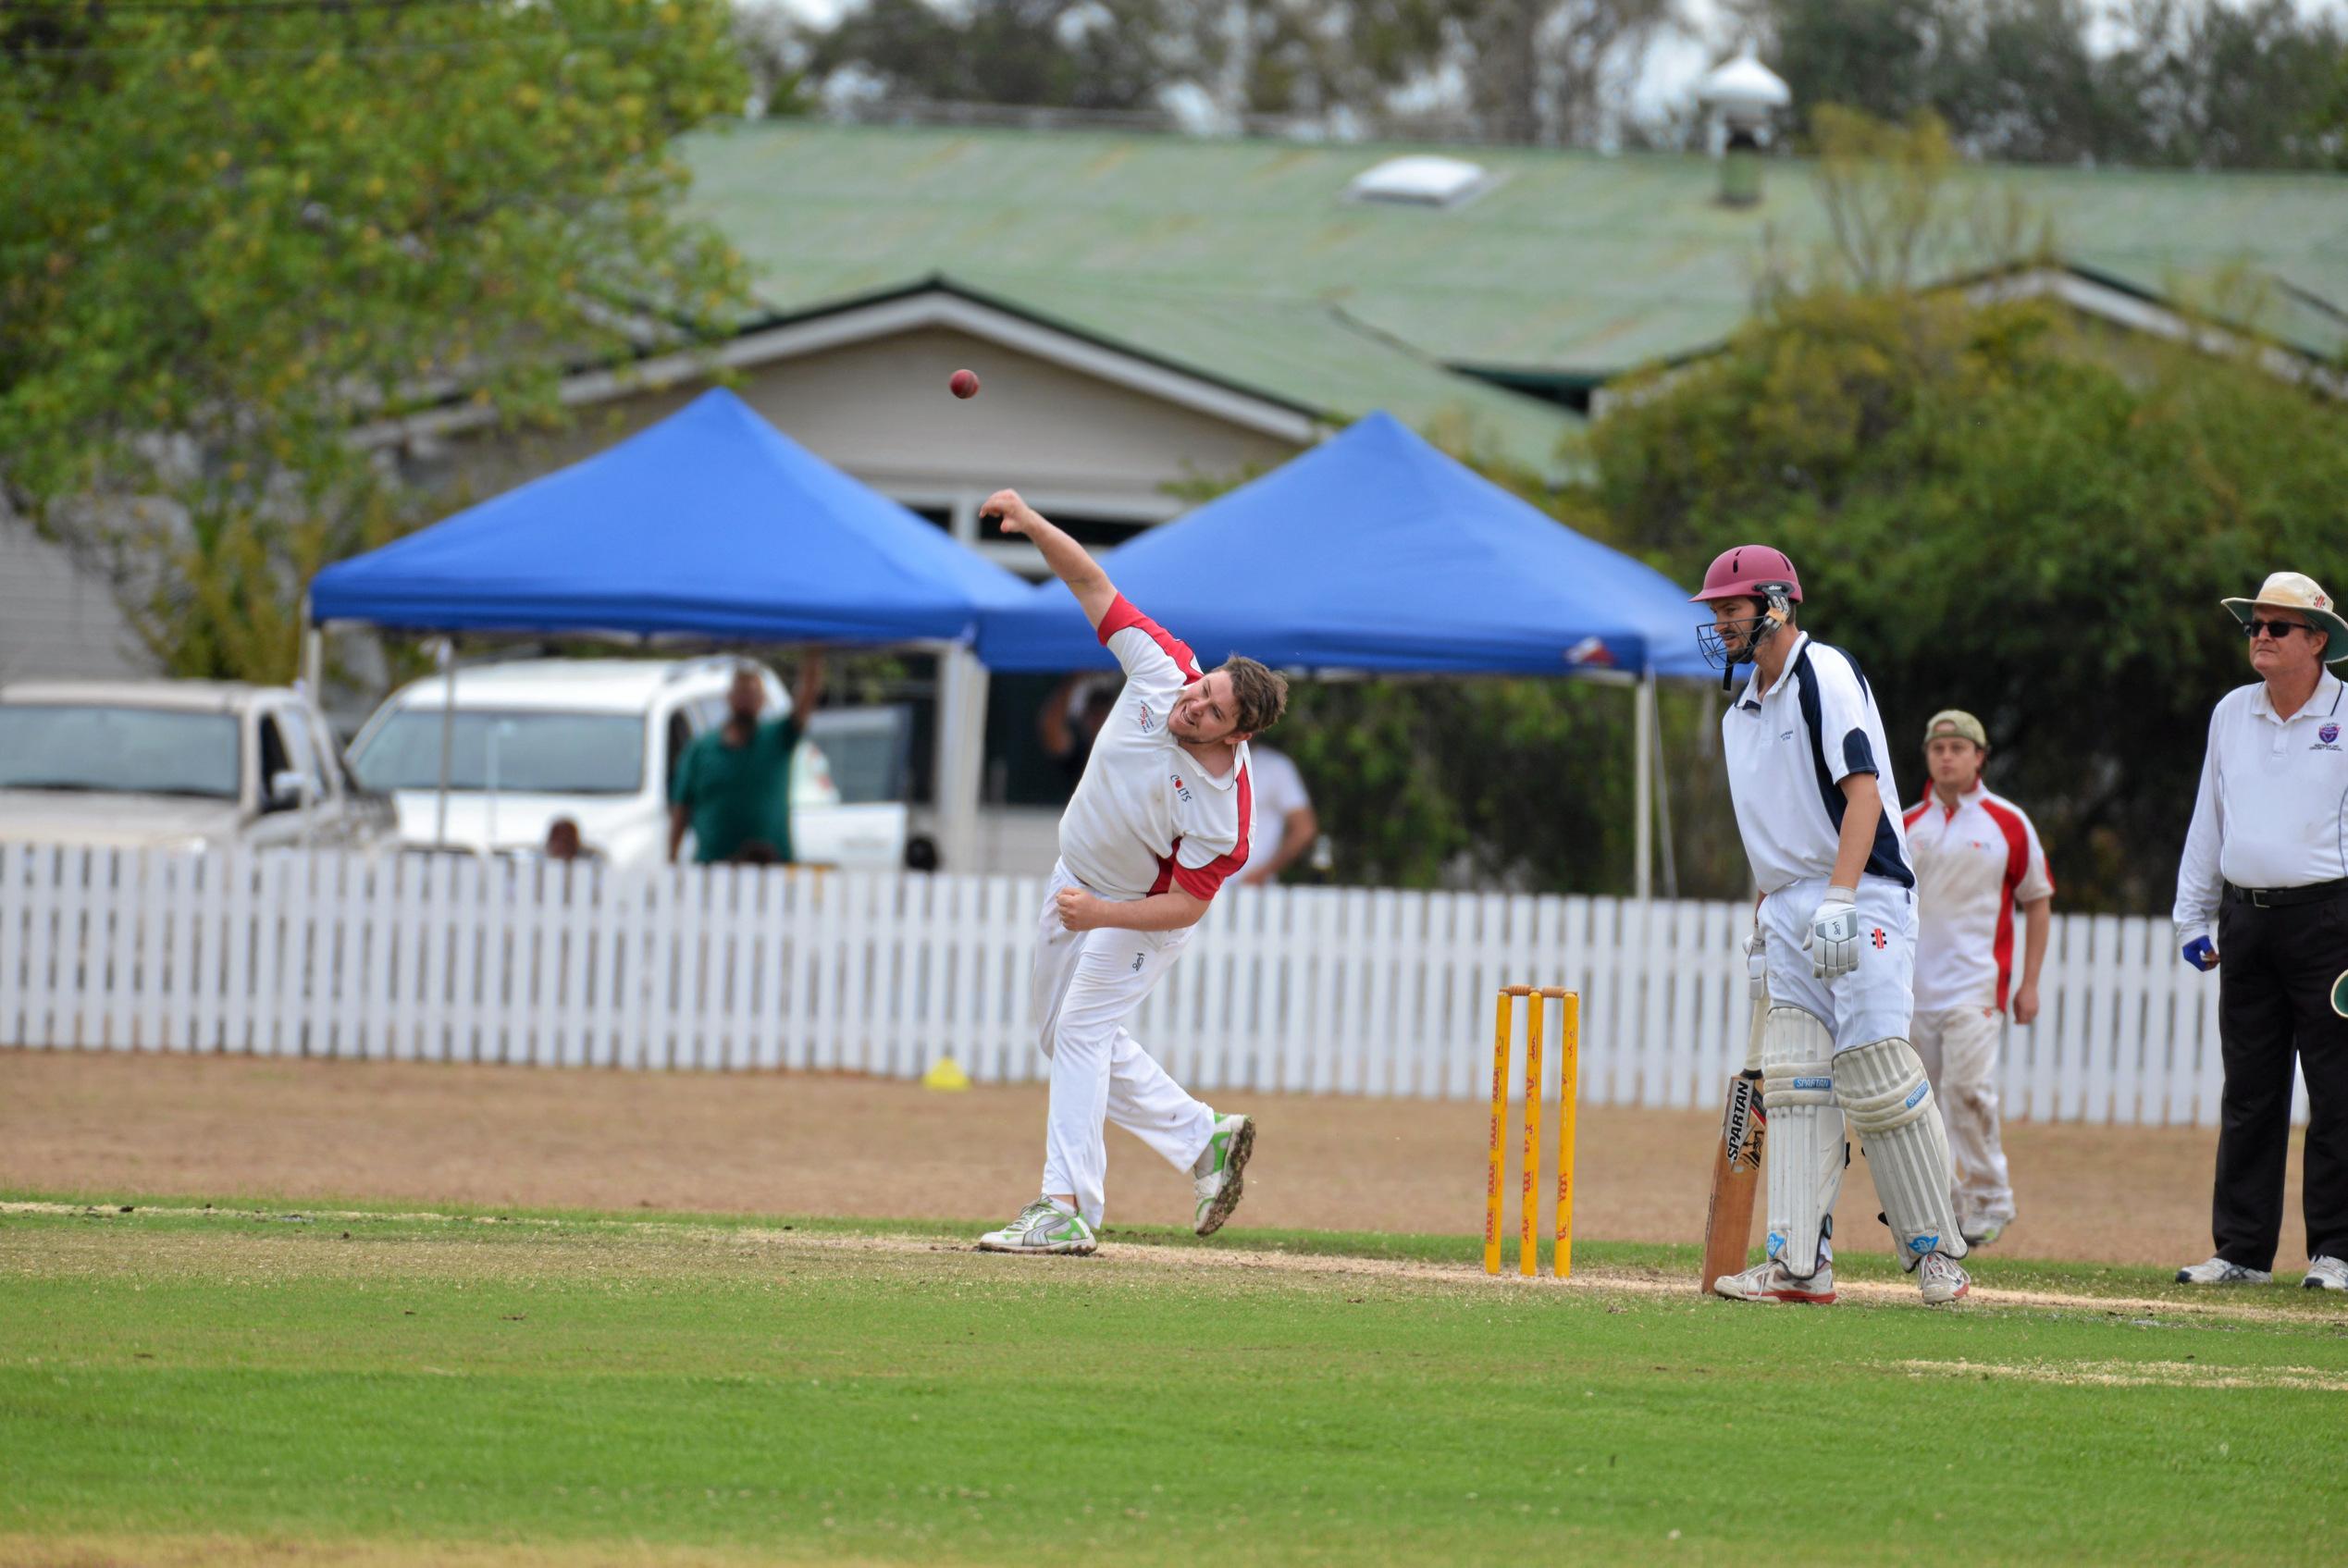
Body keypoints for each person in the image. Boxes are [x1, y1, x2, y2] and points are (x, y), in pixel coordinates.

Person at [973, 488, 1291, 1256]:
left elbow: (1184, 907)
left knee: (1082, 1029)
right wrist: (1032, 521)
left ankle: (1065, 1206)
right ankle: (1203, 1138)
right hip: (1076, 877)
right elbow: (1092, 585)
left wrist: (1101, 915)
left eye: (1211, 711)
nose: (1191, 704)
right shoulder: (1164, 668)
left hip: (1139, 911)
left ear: (1239, 734)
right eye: (1202, 687)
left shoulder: (1226, 811)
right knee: (1060, 1037)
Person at [1694, 545, 1971, 1307]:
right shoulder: (1738, 714)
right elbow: (1775, 828)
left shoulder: (1825, 674)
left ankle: (1938, 1255)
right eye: (1715, 610)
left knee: (1876, 1073)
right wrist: (1766, 915)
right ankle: (1797, 1266)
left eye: (1732, 607)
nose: (1720, 622)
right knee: (1794, 1083)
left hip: (1863, 891)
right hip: (1786, 903)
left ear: (1777, 603)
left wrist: (1841, 898)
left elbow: (1864, 796)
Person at [2171, 570, 2348, 1292]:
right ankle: (2242, 1248)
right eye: (2255, 626)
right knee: (2249, 1087)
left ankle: (2336, 1250)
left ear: (2317, 640)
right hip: (2246, 917)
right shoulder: (2231, 713)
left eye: (2277, 627)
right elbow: (2209, 817)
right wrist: (2193, 912)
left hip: (2332, 923)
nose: (2261, 637)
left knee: (2338, 1089)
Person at [1901, 710, 2053, 1249]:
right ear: (1927, 755)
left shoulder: (2007, 822)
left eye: (1958, 748)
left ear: (1979, 757)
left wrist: (2028, 983)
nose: (1947, 757)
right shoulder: (1904, 824)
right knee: (1920, 1104)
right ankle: (1941, 1204)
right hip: (1914, 992)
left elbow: (2037, 900)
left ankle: (1991, 1197)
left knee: (1968, 1091)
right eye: (1938, 747)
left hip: (1977, 987)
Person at [667, 655, 823, 866]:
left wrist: (814, 653)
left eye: (753, 694)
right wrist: (672, 857)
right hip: (713, 868)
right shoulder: (701, 749)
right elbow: (681, 807)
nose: (746, 700)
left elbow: (806, 699)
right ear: (729, 697)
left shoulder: (777, 738)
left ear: (762, 701)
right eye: (742, 693)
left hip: (771, 867)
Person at [1240, 744, 1317, 886]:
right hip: (1198, 886)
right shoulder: (1197, 761)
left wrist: (1264, 873)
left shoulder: (1276, 767)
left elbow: (1304, 828)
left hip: (1251, 889)